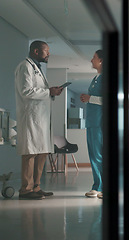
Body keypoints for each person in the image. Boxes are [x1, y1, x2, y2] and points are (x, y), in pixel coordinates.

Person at [15, 40, 63, 200]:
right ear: (36, 51)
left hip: (41, 117)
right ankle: (26, 190)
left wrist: (51, 92)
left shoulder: (38, 69)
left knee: (42, 151)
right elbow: (25, 91)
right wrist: (48, 91)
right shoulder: (25, 66)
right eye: (46, 51)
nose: (49, 54)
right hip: (31, 116)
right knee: (30, 152)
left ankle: (36, 187)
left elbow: (41, 91)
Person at [80, 50, 104, 199]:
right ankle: (97, 186)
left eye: (94, 57)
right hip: (92, 122)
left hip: (100, 122)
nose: (91, 60)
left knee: (100, 155)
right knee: (94, 155)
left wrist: (90, 99)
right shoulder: (96, 78)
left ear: (101, 60)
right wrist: (88, 99)